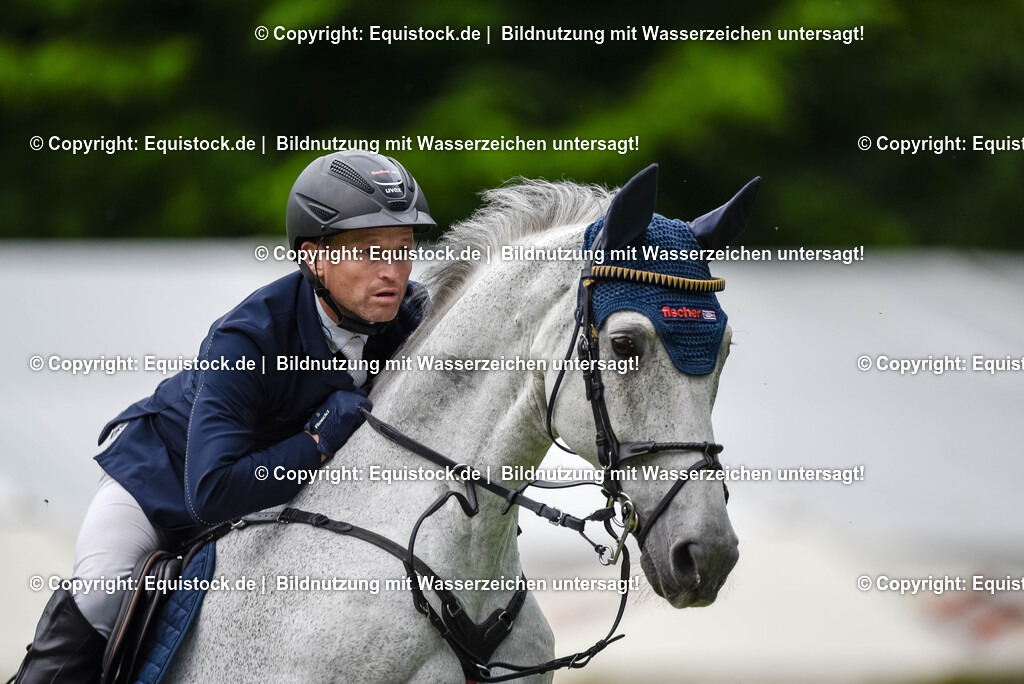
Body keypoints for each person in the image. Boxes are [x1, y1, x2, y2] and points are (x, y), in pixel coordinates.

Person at [10, 150, 435, 683]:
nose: (393, 272)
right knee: (102, 591)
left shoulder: (410, 318)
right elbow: (210, 492)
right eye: (370, 252)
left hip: (276, 499)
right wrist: (317, 442)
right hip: (163, 483)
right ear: (314, 258)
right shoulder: (248, 339)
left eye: (402, 250)